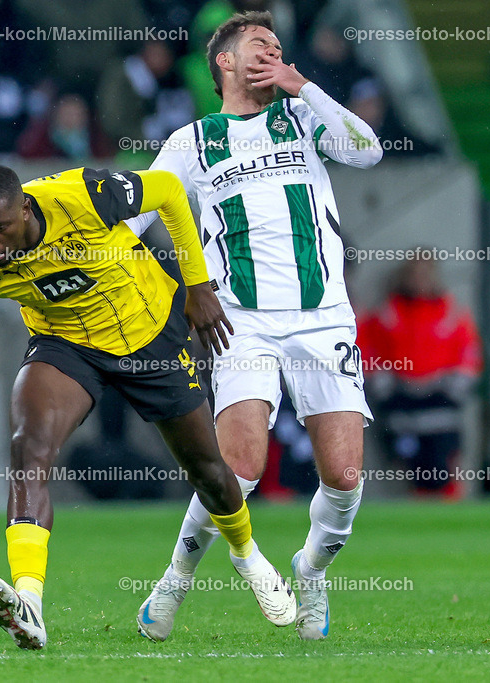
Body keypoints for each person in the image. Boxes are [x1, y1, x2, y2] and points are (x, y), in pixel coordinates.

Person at [0, 163, 297, 650]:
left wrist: (198, 285)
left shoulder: (85, 196)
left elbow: (168, 189)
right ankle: (29, 604)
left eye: (0, 227)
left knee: (208, 472)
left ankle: (247, 555)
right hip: (66, 346)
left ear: (25, 209)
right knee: (28, 449)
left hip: (149, 331)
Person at [126, 10, 382, 642]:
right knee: (237, 469)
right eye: (260, 46)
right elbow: (133, 222)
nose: (273, 53)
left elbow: (368, 151)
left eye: (279, 47)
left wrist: (305, 86)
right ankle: (176, 578)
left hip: (323, 317)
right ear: (226, 63)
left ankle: (311, 571)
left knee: (344, 478)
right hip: (241, 322)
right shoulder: (191, 142)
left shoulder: (301, 117)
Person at [357, 255, 483, 498]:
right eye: (414, 274)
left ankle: (449, 509)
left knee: (444, 465)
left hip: (441, 403)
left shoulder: (451, 312)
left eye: (425, 274)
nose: (419, 280)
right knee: (409, 469)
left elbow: (469, 352)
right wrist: (381, 382)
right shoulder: (388, 313)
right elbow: (367, 348)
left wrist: (457, 384)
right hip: (402, 404)